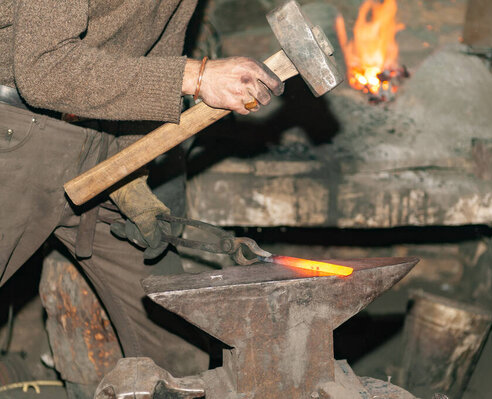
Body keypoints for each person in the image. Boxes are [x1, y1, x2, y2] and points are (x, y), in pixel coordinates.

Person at [0, 0, 284, 397]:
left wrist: (130, 172)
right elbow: (44, 66)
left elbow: (157, 49)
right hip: (12, 132)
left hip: (98, 144)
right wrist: (197, 76)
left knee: (173, 342)